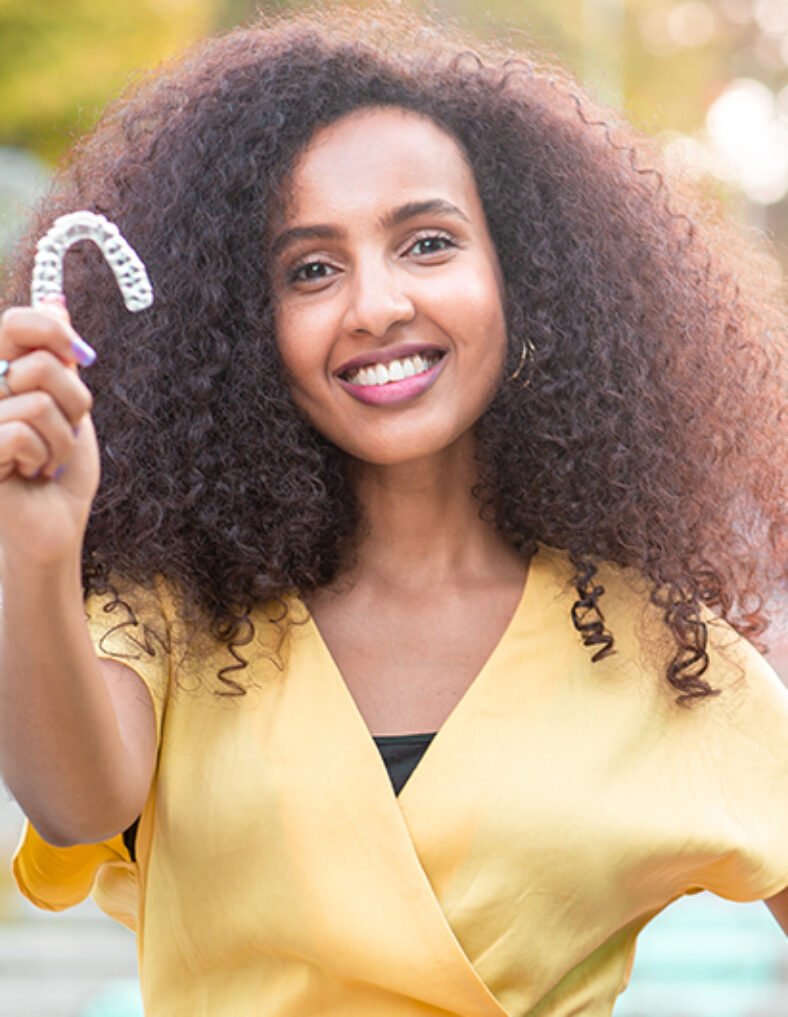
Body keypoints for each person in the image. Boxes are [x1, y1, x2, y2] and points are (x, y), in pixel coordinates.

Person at [0, 4, 786, 1015]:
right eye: (311, 269)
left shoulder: (662, 653)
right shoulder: (178, 617)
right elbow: (74, 807)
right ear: (245, 326)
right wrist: (34, 545)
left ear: (523, 279)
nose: (373, 305)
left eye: (426, 243)